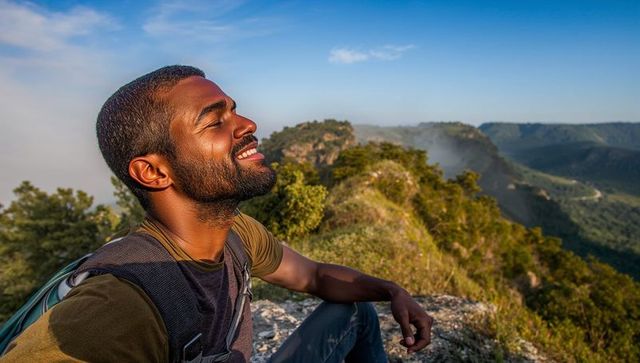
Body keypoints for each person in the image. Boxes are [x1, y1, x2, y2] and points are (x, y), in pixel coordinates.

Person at [2, 65, 433, 362]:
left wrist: (391, 290)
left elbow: (314, 277)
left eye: (233, 109)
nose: (247, 124)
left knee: (356, 313)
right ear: (153, 171)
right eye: (215, 121)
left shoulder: (235, 234)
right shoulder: (121, 302)